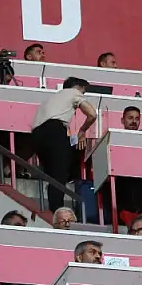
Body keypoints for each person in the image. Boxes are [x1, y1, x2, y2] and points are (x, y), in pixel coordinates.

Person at [30, 77, 98, 211]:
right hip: (54, 131)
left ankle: (54, 209)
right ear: (77, 87)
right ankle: (57, 211)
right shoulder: (73, 93)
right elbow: (92, 114)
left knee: (53, 176)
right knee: (59, 175)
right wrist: (82, 131)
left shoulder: (51, 100)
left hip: (37, 135)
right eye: (83, 92)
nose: (83, 94)